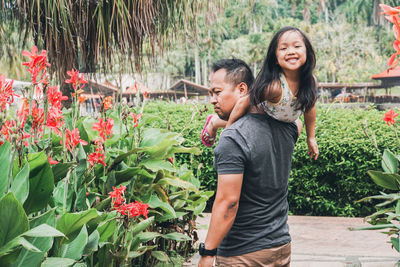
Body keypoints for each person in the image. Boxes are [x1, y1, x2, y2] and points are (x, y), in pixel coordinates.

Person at [198, 58, 298, 267]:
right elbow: (296, 122)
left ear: (242, 89)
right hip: (280, 247)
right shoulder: (288, 128)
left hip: (243, 254)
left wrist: (207, 252)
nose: (212, 99)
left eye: (217, 92)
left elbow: (228, 203)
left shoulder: (233, 138)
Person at [201, 26, 319, 160]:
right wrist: (228, 132)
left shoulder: (310, 81)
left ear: (307, 52)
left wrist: (311, 138)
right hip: (262, 111)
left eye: (297, 46)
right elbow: (243, 103)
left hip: (284, 116)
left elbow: (309, 107)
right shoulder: (274, 88)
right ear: (275, 58)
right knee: (247, 120)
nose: (291, 51)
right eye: (283, 48)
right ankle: (214, 122)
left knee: (298, 126)